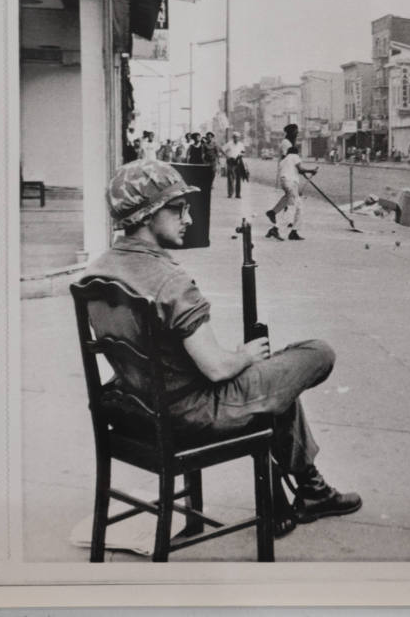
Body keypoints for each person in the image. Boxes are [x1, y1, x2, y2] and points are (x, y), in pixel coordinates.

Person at [79, 160, 362, 533]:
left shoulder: (97, 272)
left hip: (135, 410)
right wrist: (247, 355)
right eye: (178, 208)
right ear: (147, 215)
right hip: (190, 414)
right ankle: (311, 489)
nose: (188, 218)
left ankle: (311, 487)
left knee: (278, 385)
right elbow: (216, 368)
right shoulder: (170, 281)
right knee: (316, 353)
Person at [222, 132, 247, 198]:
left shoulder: (241, 144)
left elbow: (243, 152)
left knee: (238, 178)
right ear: (233, 137)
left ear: (239, 138)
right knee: (230, 178)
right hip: (231, 162)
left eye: (237, 137)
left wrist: (241, 155)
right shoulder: (229, 144)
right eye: (235, 137)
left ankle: (238, 194)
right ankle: (230, 193)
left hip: (238, 162)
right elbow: (222, 149)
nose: (236, 138)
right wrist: (227, 156)